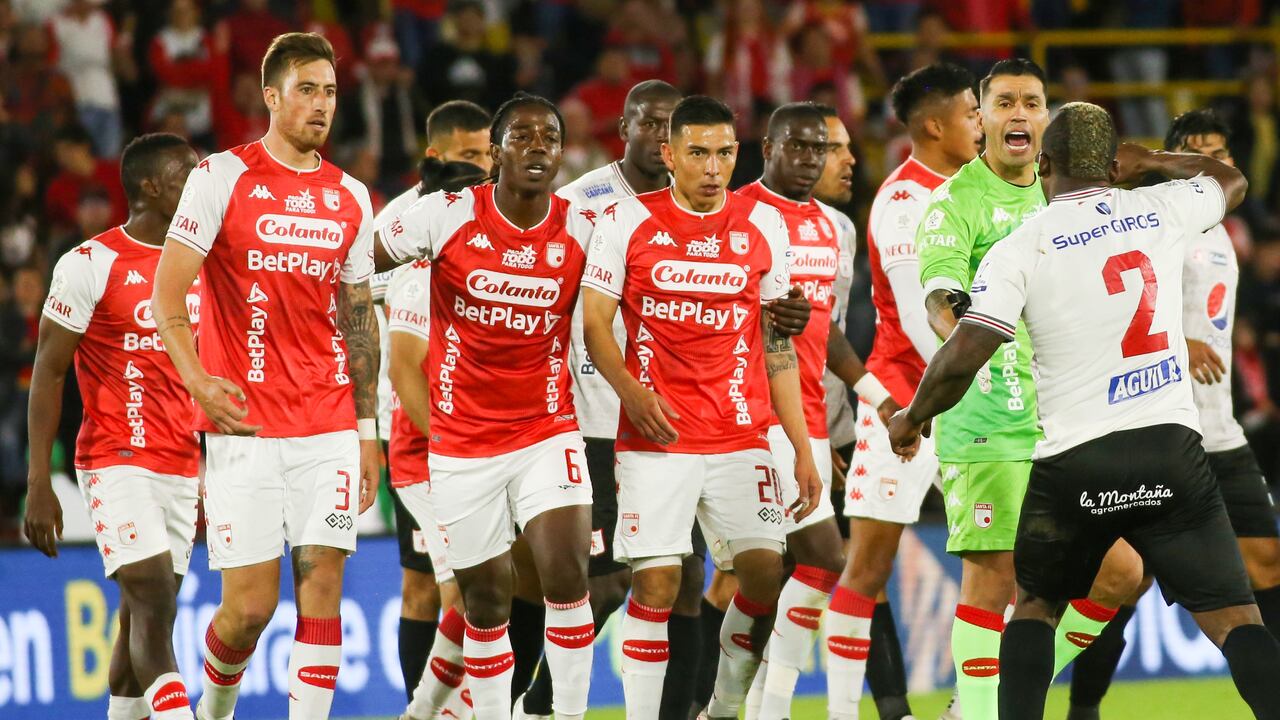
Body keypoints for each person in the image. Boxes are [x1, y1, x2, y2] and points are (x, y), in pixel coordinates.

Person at [887, 101, 1280, 720]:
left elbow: (963, 354)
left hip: (1076, 463)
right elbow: (1231, 181)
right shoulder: (1161, 208)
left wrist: (912, 417)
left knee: (1035, 606)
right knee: (1237, 621)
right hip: (1173, 453)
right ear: (1114, 165)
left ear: (1044, 165)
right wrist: (1153, 159)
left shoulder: (1022, 246)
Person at [151, 33, 381, 720]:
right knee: (248, 611)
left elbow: (359, 321)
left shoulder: (351, 197)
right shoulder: (221, 177)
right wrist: (196, 379)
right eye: (307, 90)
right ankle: (216, 707)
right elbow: (167, 293)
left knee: (323, 584)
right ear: (271, 97)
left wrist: (369, 431)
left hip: (328, 421)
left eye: (330, 91)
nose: (321, 104)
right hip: (244, 425)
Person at [580, 95, 822, 720]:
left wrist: (800, 447)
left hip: (741, 434)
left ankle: (722, 707)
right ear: (669, 154)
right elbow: (595, 324)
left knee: (764, 577)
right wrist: (632, 394)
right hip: (657, 438)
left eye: (723, 153)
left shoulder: (763, 225)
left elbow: (777, 347)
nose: (713, 168)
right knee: (657, 585)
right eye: (697, 153)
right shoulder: (625, 221)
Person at [915, 59, 1143, 720]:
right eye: (1005, 102)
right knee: (993, 583)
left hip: (1066, 422)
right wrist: (961, 324)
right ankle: (978, 710)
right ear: (981, 117)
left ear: (1047, 118)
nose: (1019, 114)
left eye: (1032, 103)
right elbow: (939, 293)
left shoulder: (1065, 201)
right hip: (988, 420)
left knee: (1121, 574)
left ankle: (992, 695)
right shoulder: (956, 202)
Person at [373, 93, 597, 720]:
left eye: (549, 136)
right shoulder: (437, 219)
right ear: (496, 153)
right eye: (521, 136)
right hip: (460, 445)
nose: (537, 146)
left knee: (566, 575)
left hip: (547, 429)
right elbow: (352, 262)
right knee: (485, 600)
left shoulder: (584, 227)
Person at [1065, 108, 1280, 720]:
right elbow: (1114, 303)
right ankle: (1084, 708)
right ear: (1174, 159)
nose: (1211, 163)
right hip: (1158, 427)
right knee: (1126, 583)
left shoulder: (1226, 235)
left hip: (1221, 431)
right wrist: (1180, 343)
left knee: (1267, 562)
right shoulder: (1153, 220)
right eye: (1197, 151)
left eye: (1221, 153)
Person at [24, 133, 200, 720]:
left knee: (146, 615)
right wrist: (39, 481)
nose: (198, 184)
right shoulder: (90, 264)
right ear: (149, 187)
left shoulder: (199, 263)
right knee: (152, 594)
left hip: (182, 464)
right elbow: (48, 371)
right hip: (115, 458)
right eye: (185, 175)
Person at [824, 62, 981, 720]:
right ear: (935, 126)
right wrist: (957, 393)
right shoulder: (904, 202)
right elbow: (924, 323)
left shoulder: (984, 189)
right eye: (971, 112)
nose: (982, 122)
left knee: (1009, 562)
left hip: (976, 401)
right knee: (867, 565)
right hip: (905, 404)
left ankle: (967, 707)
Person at [732, 101, 869, 719]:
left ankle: (744, 704)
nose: (813, 159)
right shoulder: (737, 212)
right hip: (746, 415)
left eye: (822, 148)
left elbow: (825, 332)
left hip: (806, 414)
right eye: (801, 146)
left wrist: (849, 415)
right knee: (810, 561)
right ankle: (747, 704)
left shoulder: (835, 228)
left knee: (788, 570)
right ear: (768, 147)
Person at [375, 99, 494, 710]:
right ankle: (427, 706)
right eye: (469, 155)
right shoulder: (401, 230)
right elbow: (381, 330)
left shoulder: (498, 219)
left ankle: (442, 707)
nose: (483, 166)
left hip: (477, 431)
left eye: (487, 153)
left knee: (475, 587)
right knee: (435, 589)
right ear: (436, 156)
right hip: (417, 427)